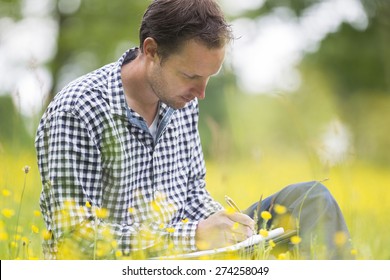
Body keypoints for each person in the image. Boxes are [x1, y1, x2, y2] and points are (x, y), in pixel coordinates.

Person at [35, 0, 352, 260]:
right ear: (151, 51)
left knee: (310, 199)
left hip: (187, 255)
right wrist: (194, 237)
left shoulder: (180, 99)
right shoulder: (78, 110)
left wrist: (227, 227)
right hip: (134, 263)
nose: (200, 93)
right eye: (190, 76)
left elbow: (191, 193)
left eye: (208, 78)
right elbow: (74, 239)